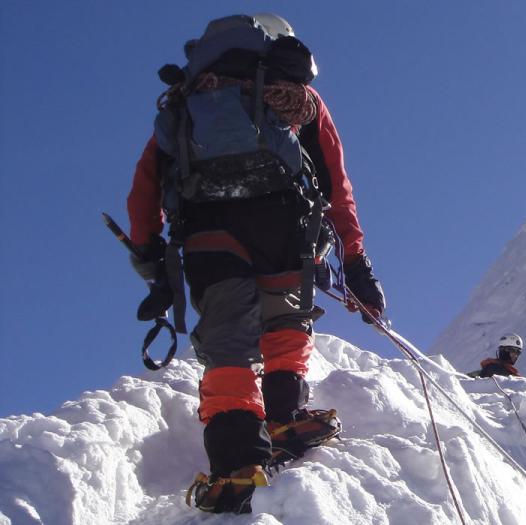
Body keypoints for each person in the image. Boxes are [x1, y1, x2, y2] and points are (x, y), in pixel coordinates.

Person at [126, 14, 386, 514]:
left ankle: (236, 462)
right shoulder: (294, 97)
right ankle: (285, 417)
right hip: (283, 224)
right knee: (285, 317)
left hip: (206, 230)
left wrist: (151, 259)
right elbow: (335, 184)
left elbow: (146, 185)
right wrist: (356, 263)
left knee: (227, 341)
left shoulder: (186, 103)